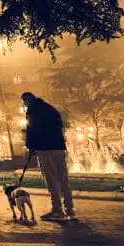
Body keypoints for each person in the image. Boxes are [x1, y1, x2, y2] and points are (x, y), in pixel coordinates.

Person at [22, 92, 76, 221]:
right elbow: (60, 126)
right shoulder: (51, 108)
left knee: (51, 179)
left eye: (24, 102)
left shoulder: (32, 111)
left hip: (44, 149)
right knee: (63, 179)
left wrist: (31, 146)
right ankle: (70, 210)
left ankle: (57, 210)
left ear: (27, 101)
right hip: (58, 147)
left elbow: (31, 129)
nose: (24, 105)